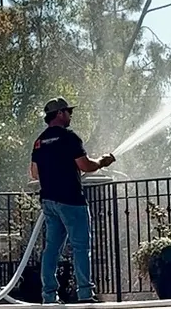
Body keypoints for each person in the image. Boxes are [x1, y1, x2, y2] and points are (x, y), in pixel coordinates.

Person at [29, 97, 116, 304]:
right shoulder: (69, 138)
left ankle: (49, 296)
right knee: (80, 247)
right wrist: (103, 161)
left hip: (49, 201)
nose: (70, 115)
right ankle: (85, 293)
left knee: (51, 249)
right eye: (68, 111)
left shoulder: (39, 142)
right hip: (71, 200)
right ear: (60, 113)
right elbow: (85, 165)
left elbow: (34, 173)